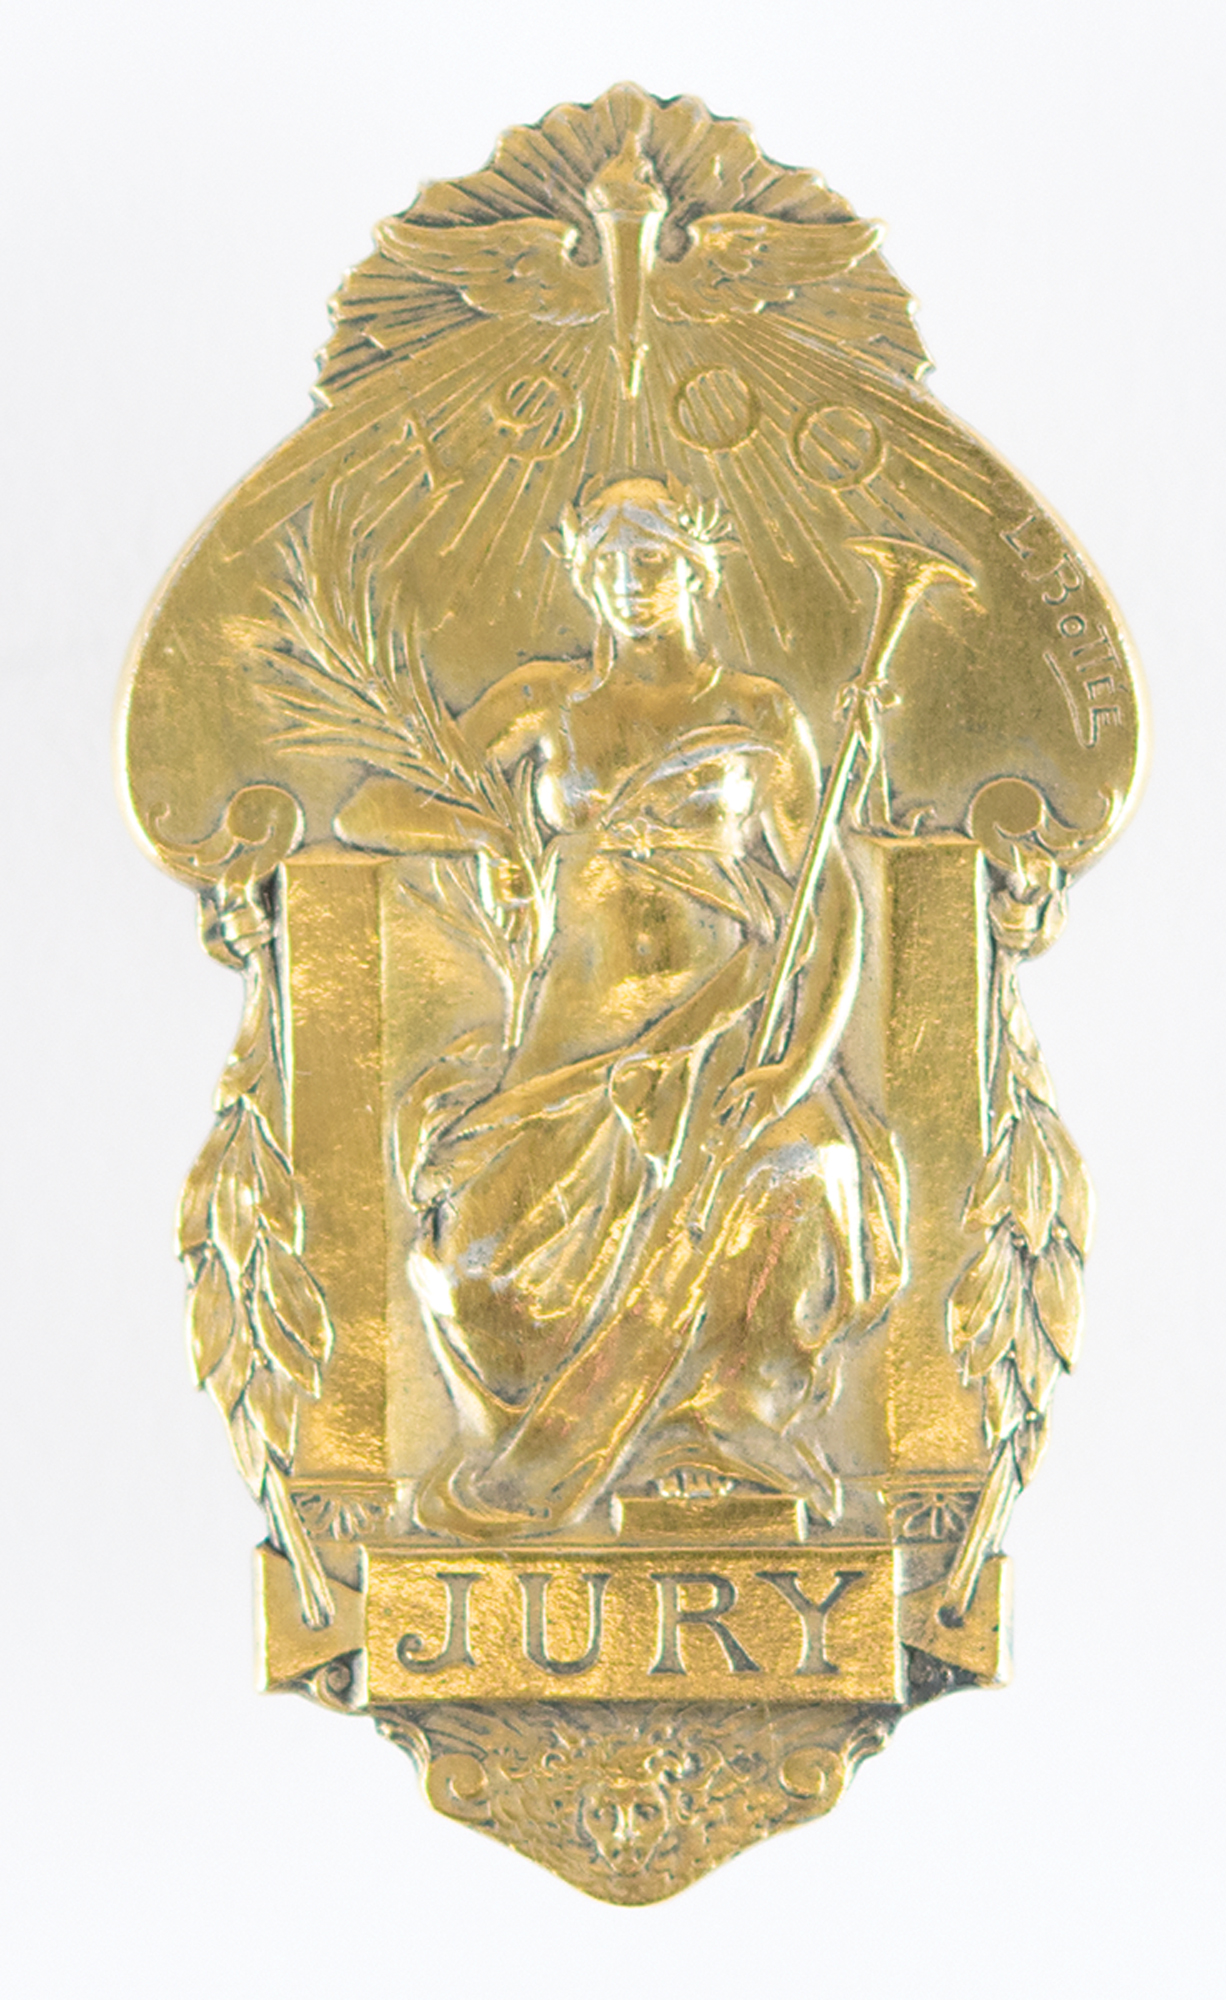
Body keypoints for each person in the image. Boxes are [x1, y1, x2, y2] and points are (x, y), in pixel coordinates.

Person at [336, 474, 903, 1533]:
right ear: (581, 577)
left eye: (650, 558)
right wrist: (493, 828)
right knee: (475, 1269)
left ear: (696, 564)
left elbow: (830, 899)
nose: (629, 581)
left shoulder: (754, 712)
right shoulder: (546, 702)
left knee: (798, 1170)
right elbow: (370, 808)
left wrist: (795, 1066)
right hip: (574, 1032)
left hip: (724, 1018)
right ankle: (561, 1441)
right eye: (605, 563)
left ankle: (726, 1422)